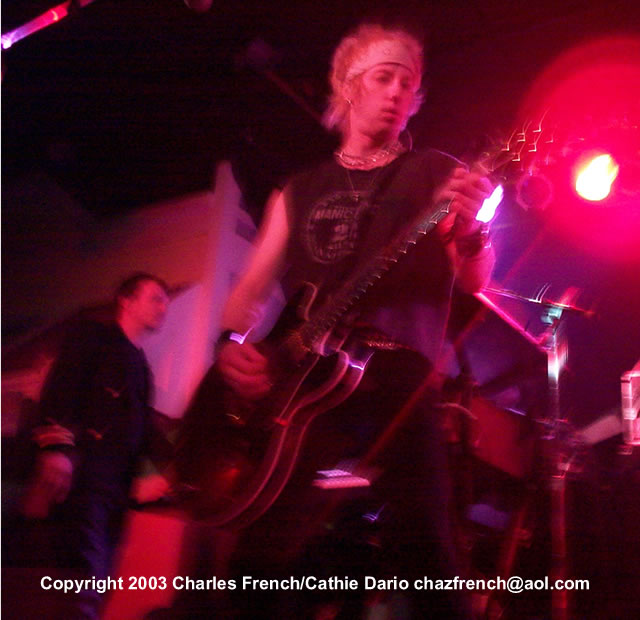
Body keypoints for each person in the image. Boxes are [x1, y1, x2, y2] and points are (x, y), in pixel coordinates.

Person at [214, 22, 495, 618]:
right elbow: (248, 292)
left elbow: (473, 280)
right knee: (261, 562)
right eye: (383, 77)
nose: (397, 92)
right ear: (347, 85)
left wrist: (473, 231)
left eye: (408, 84)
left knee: (427, 549)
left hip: (396, 377)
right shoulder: (296, 190)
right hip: (301, 387)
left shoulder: (435, 173)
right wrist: (232, 343)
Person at [16, 272, 172, 619]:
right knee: (83, 580)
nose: (164, 307)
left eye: (166, 301)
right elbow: (61, 389)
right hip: (84, 479)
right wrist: (57, 449)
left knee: (100, 583)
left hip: (117, 492)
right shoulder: (93, 337)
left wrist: (161, 472)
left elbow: (141, 430)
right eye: (155, 298)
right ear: (126, 301)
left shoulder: (142, 368)